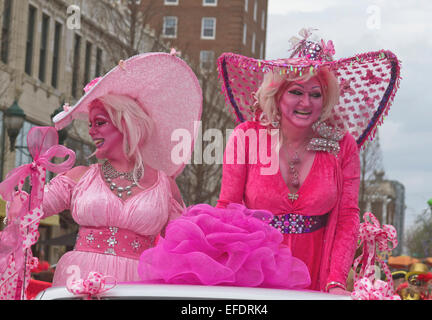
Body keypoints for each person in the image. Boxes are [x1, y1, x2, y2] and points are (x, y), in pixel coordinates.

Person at [214, 28, 401, 294]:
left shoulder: (342, 146)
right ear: (277, 95)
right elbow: (227, 206)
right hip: (254, 272)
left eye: (315, 94)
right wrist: (223, 267)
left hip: (317, 274)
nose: (306, 102)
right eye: (296, 92)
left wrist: (335, 280)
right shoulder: (247, 137)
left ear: (325, 100)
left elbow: (348, 218)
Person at [42, 52, 202, 287]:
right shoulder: (80, 176)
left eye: (100, 123)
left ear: (126, 124)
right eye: (90, 124)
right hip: (79, 280)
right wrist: (28, 185)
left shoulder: (164, 185)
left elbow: (185, 245)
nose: (92, 131)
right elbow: (30, 209)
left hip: (140, 286)